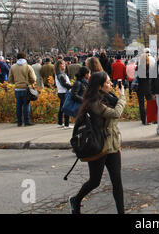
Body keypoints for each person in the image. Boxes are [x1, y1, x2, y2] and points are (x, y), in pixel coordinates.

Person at [68, 71, 126, 214]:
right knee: (95, 182)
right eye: (107, 82)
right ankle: (76, 200)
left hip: (112, 145)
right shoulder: (94, 103)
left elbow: (113, 123)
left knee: (117, 182)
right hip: (98, 146)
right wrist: (123, 96)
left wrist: (117, 146)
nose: (111, 84)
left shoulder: (109, 97)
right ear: (99, 86)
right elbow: (116, 113)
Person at [8, 52, 37, 127]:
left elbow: (10, 79)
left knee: (18, 105)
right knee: (26, 105)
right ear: (25, 58)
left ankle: (19, 121)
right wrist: (30, 82)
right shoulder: (28, 67)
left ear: (17, 58)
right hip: (25, 88)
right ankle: (26, 121)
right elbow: (34, 78)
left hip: (17, 88)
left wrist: (16, 82)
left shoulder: (13, 67)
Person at [135, 53, 153, 125]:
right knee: (150, 103)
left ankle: (143, 120)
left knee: (141, 104)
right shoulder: (150, 67)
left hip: (140, 88)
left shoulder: (138, 67)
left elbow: (136, 78)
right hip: (148, 87)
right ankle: (150, 119)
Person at [55, 59, 72, 129]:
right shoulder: (60, 74)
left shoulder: (59, 74)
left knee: (61, 108)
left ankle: (60, 123)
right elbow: (64, 84)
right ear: (59, 65)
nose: (64, 65)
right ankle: (66, 124)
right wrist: (72, 87)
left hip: (61, 92)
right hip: (64, 92)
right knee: (66, 108)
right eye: (63, 64)